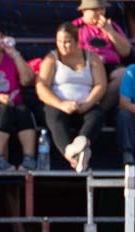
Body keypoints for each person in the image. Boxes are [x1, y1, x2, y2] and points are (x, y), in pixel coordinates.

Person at [37, 21, 106, 172]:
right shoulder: (51, 58)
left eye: (67, 42)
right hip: (59, 104)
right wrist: (61, 104)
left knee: (97, 115)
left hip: (84, 104)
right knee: (54, 117)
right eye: (59, 42)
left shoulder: (91, 58)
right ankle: (72, 155)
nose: (63, 46)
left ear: (76, 41)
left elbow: (100, 84)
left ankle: (81, 142)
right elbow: (41, 87)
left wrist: (87, 103)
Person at [0, 25, 37, 171]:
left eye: (1, 36)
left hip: (16, 105)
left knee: (24, 111)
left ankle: (29, 159)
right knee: (3, 111)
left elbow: (27, 80)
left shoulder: (11, 59)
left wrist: (15, 54)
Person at [73, 0, 132, 110]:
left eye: (102, 9)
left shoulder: (112, 26)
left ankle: (101, 111)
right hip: (86, 65)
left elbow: (126, 51)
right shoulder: (75, 28)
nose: (100, 12)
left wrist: (109, 31)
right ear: (84, 11)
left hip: (110, 65)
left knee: (125, 75)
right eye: (95, 9)